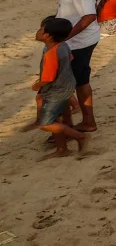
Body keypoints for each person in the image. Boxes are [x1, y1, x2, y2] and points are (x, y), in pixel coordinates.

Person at [43, 0, 100, 132]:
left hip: (80, 43)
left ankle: (67, 127)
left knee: (66, 85)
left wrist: (64, 38)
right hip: (74, 41)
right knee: (80, 82)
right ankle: (85, 121)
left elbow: (89, 16)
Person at [30, 16, 88, 159]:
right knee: (56, 119)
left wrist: (37, 85)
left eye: (41, 29)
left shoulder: (51, 53)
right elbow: (70, 60)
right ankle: (62, 149)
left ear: (47, 36)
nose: (38, 31)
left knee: (46, 124)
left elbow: (48, 78)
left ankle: (79, 136)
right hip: (66, 86)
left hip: (56, 92)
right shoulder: (63, 45)